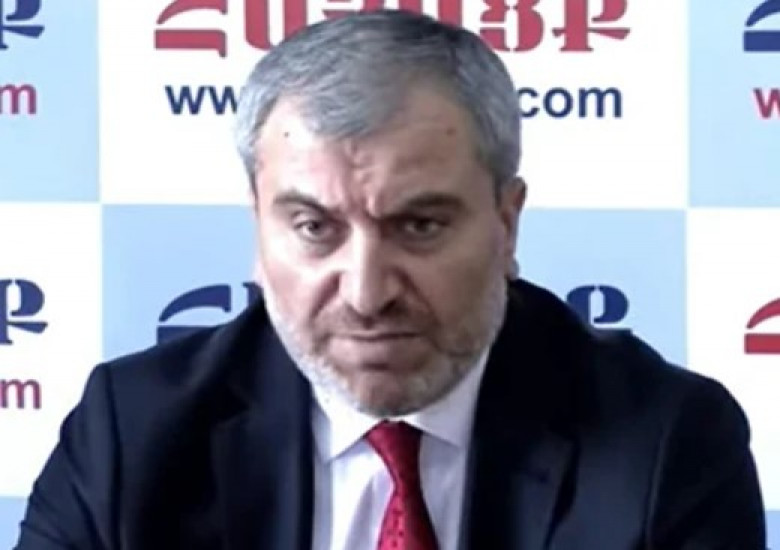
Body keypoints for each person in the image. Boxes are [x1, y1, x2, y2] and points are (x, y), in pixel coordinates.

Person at [15, 9, 765, 550]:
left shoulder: (665, 440)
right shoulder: (132, 433)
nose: (367, 294)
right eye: (315, 228)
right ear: (257, 227)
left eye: (420, 226)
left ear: (506, 225)